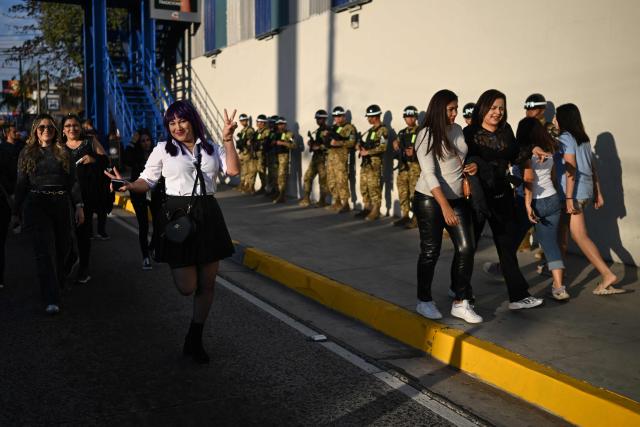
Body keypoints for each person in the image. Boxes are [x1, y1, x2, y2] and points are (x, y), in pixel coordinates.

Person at [106, 100, 239, 363]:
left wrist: (228, 139)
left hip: (208, 214)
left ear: (193, 120)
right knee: (187, 287)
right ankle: (172, 258)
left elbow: (233, 170)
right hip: (178, 216)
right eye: (172, 122)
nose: (177, 127)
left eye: (182, 120)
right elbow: (148, 180)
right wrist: (130, 185)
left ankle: (195, 337)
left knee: (208, 284)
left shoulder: (212, 147)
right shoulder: (162, 150)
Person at [464, 89, 544, 310]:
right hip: (478, 197)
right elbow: (461, 160)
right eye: (493, 108)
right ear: (483, 108)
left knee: (506, 247)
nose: (497, 112)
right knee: (468, 246)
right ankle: (461, 292)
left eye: (501, 108)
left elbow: (515, 154)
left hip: (501, 194)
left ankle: (518, 296)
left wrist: (532, 148)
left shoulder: (506, 130)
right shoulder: (469, 133)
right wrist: (473, 167)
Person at [413, 90, 481, 323]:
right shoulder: (426, 134)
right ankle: (424, 300)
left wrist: (469, 171)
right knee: (431, 251)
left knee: (466, 247)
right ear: (439, 109)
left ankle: (460, 300)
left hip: (457, 198)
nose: (455, 113)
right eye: (451, 109)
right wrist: (444, 207)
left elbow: (461, 158)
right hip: (430, 199)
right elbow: (430, 174)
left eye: (456, 108)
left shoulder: (458, 129)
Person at [13, 114, 84, 314]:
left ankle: (59, 279)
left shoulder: (63, 152)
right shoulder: (26, 153)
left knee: (66, 249)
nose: (46, 130)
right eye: (42, 127)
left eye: (50, 127)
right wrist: (16, 212)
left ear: (55, 131)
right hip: (36, 204)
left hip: (61, 203)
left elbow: (73, 182)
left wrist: (79, 205)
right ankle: (51, 297)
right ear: (35, 130)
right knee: (43, 252)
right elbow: (21, 185)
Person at [555, 103, 623, 295]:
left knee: (579, 236)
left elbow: (570, 169)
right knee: (563, 234)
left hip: (573, 193)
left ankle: (607, 274)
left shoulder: (566, 138)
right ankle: (558, 271)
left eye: (556, 117)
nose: (554, 120)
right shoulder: (583, 139)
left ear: (564, 119)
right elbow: (592, 168)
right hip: (584, 192)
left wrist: (569, 197)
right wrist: (598, 192)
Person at [522, 118, 569, 301]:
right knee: (550, 245)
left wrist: (527, 203)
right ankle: (559, 288)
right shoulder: (549, 149)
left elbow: (529, 181)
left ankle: (502, 269)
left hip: (535, 201)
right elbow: (552, 175)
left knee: (512, 239)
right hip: (552, 199)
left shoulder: (527, 154)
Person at [62, 114, 109, 283]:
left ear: (80, 127)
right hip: (65, 196)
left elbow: (106, 160)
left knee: (83, 232)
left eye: (75, 125)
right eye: (68, 126)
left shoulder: (90, 141)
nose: (72, 128)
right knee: (66, 232)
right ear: (63, 129)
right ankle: (71, 256)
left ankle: (84, 267)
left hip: (87, 194)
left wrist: (93, 159)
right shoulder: (59, 146)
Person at [124, 128, 156, 270]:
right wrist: (132, 142)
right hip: (138, 193)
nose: (145, 143)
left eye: (147, 140)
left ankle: (151, 247)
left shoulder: (156, 153)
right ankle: (145, 257)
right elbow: (125, 159)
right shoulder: (135, 154)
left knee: (160, 224)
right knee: (143, 226)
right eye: (142, 141)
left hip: (155, 193)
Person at [0, 124, 24, 289]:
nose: (16, 133)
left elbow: (9, 175)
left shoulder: (6, 151)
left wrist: (13, 191)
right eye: (13, 131)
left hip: (3, 199)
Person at [355, 105, 388, 221]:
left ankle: (375, 210)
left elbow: (383, 147)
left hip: (374, 163)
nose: (368, 119)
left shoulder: (383, 130)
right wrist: (359, 146)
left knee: (374, 187)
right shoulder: (370, 131)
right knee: (364, 187)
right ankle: (367, 207)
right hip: (365, 163)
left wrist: (368, 152)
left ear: (376, 116)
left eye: (370, 117)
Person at [392, 105, 421, 228]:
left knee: (414, 194)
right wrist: (395, 145)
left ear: (415, 117)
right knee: (403, 192)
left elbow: (426, 148)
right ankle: (405, 215)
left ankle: (416, 218)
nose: (409, 119)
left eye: (411, 117)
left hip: (415, 167)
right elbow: (397, 146)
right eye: (407, 117)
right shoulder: (402, 132)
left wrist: (415, 151)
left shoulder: (420, 131)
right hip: (403, 167)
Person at [326, 106, 357, 213]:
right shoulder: (333, 127)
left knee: (341, 180)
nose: (337, 118)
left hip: (340, 157)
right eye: (335, 116)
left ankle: (345, 203)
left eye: (339, 116)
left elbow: (352, 142)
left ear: (343, 116)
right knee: (331, 180)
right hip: (331, 157)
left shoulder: (349, 128)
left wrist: (339, 143)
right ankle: (337, 201)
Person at [299, 109, 330, 207]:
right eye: (317, 119)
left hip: (323, 158)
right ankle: (306, 198)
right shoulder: (318, 131)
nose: (318, 120)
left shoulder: (328, 130)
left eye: (320, 119)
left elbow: (329, 145)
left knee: (323, 180)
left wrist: (319, 147)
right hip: (315, 157)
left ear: (324, 119)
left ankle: (322, 200)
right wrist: (311, 143)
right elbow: (317, 143)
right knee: (307, 177)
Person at [272, 117, 296, 203]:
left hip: (283, 157)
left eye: (282, 124)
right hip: (275, 156)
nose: (280, 126)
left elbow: (294, 145)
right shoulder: (275, 133)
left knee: (282, 176)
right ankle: (277, 193)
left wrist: (282, 143)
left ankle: (282, 195)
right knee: (275, 175)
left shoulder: (288, 134)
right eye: (278, 124)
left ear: (285, 124)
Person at [246, 114, 270, 194]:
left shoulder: (266, 131)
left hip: (261, 154)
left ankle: (264, 187)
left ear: (263, 123)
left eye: (259, 122)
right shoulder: (257, 131)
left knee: (261, 172)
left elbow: (265, 142)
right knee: (252, 171)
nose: (257, 123)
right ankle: (251, 187)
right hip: (254, 154)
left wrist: (257, 143)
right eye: (257, 122)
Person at [235, 114, 255, 193]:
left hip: (247, 152)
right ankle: (243, 184)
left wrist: (247, 144)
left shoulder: (249, 130)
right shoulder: (243, 130)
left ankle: (249, 186)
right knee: (243, 170)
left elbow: (250, 141)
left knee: (248, 170)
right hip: (243, 152)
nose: (243, 122)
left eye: (245, 120)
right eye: (242, 121)